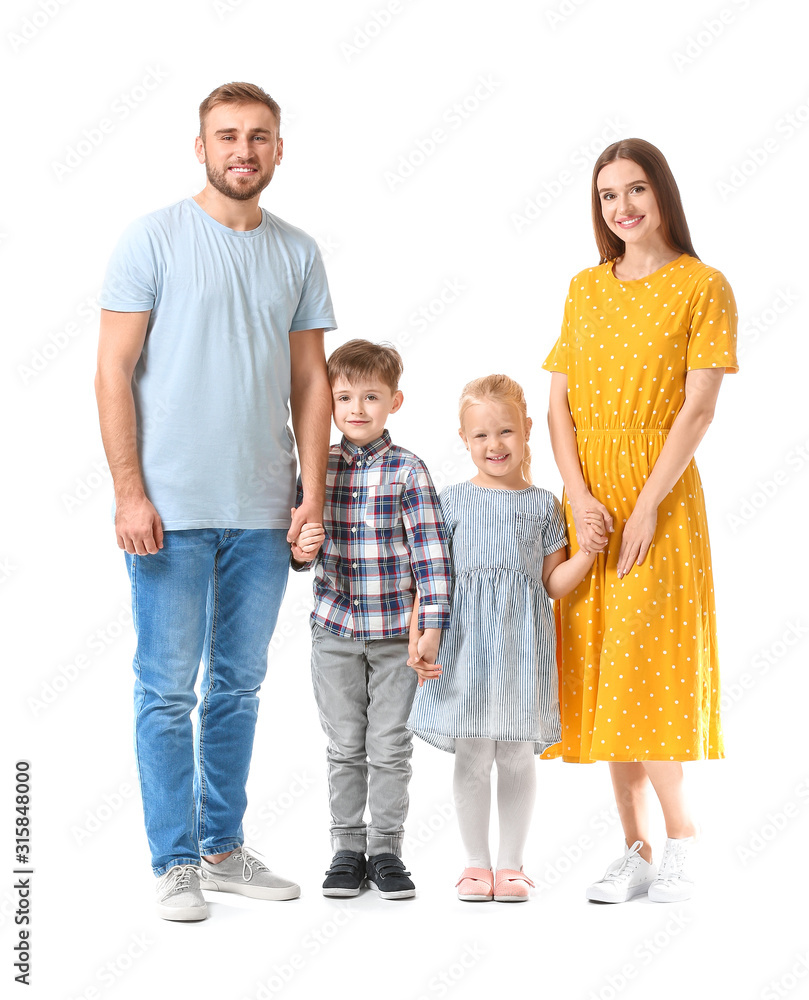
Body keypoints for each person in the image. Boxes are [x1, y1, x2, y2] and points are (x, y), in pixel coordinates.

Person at [94, 82, 337, 921]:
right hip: (169, 512)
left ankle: (223, 849)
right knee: (165, 689)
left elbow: (312, 381)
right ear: (199, 147)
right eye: (227, 135)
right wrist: (129, 492)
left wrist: (314, 494)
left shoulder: (299, 251)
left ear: (278, 150)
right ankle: (174, 863)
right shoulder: (152, 238)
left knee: (236, 686)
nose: (244, 149)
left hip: (266, 513)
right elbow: (110, 373)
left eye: (259, 136)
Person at [543, 138, 738, 903]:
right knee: (600, 675)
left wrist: (645, 504)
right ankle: (634, 851)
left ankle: (684, 842)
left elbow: (698, 407)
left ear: (661, 193)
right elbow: (557, 404)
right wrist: (577, 494)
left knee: (644, 668)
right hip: (588, 498)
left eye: (633, 190)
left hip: (659, 497)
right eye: (605, 196)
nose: (620, 208)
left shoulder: (702, 285)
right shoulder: (585, 288)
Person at [407, 375, 605, 902]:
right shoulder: (450, 502)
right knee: (472, 753)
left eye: (506, 432)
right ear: (463, 439)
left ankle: (512, 865)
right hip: (464, 647)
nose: (495, 445)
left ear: (527, 431)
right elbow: (431, 578)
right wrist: (421, 635)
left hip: (522, 649)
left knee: (516, 754)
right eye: (481, 436)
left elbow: (552, 582)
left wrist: (586, 553)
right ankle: (475, 865)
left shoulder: (543, 506)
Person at [290, 339, 452, 899]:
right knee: (344, 744)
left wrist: (429, 628)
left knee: (388, 745)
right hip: (334, 630)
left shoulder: (408, 471)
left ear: (395, 402)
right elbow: (297, 549)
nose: (357, 408)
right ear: (329, 403)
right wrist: (302, 547)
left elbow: (432, 555)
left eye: (371, 397)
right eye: (344, 397)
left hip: (394, 639)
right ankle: (346, 849)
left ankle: (385, 849)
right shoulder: (320, 466)